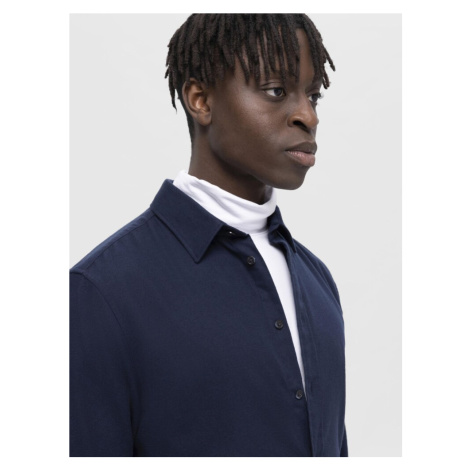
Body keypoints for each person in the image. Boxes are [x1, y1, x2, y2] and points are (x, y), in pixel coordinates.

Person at [70, 13, 347, 457]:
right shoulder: (100, 292)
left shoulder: (318, 281)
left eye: (313, 95)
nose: (308, 116)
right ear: (200, 100)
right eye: (276, 91)